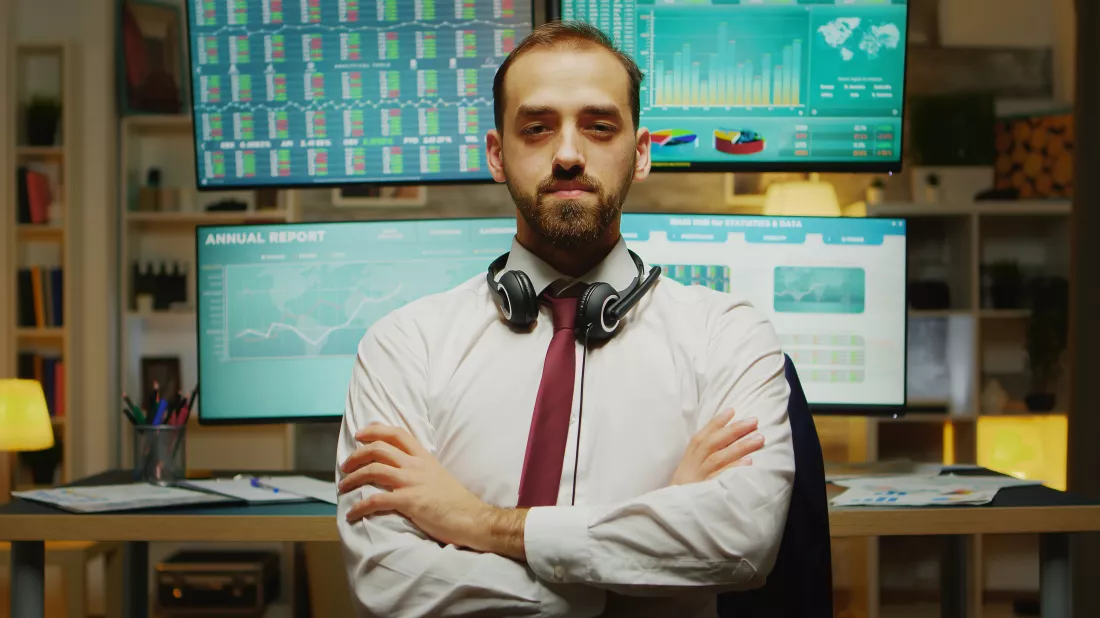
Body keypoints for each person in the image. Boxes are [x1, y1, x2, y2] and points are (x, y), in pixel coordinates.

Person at [335, 20, 795, 618]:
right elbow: (386, 578)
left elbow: (741, 543)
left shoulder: (727, 335)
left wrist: (478, 524)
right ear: (497, 155)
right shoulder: (403, 345)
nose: (570, 155)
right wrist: (634, 562)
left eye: (600, 127)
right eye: (537, 128)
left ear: (641, 153)